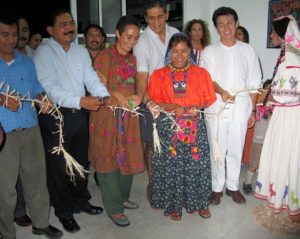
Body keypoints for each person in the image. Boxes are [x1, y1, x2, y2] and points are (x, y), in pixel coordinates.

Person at [33, 9, 110, 233]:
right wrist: (81, 101)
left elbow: (90, 77)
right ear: (50, 30)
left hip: (79, 115)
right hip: (55, 117)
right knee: (59, 168)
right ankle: (64, 212)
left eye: (71, 23)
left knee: (80, 162)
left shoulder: (79, 51)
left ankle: (80, 201)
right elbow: (51, 90)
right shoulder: (43, 54)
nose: (69, 27)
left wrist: (103, 94)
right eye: (63, 24)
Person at [0, 10, 63, 239]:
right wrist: (2, 99)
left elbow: (36, 88)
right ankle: (6, 232)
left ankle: (41, 223)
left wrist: (42, 99)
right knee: (5, 190)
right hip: (3, 134)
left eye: (13, 35)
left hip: (30, 128)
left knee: (37, 180)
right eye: (4, 34)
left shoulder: (26, 61)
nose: (10, 40)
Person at [146, 33, 216, 221]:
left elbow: (208, 98)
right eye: (175, 51)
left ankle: (200, 203)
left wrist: (196, 107)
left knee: (196, 164)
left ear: (190, 52)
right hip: (169, 126)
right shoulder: (159, 75)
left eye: (183, 51)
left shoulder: (201, 73)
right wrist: (173, 108)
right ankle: (173, 205)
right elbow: (155, 100)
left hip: (194, 125)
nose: (179, 55)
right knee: (171, 165)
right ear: (169, 52)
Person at [201, 7, 261, 205]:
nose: (226, 28)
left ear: (236, 24)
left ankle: (233, 187)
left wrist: (252, 110)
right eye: (221, 24)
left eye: (229, 23)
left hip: (241, 107)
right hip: (216, 107)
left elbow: (254, 82)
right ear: (216, 28)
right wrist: (220, 91)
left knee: (236, 146)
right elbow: (207, 80)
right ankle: (217, 187)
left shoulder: (248, 50)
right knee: (217, 148)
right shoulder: (209, 51)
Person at [89, 15, 144, 227]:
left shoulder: (132, 59)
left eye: (136, 38)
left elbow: (134, 86)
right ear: (118, 34)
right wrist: (118, 95)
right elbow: (98, 88)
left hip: (127, 116)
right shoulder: (104, 56)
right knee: (107, 157)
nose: (132, 42)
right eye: (128, 36)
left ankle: (122, 196)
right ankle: (114, 208)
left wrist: (135, 97)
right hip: (107, 115)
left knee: (127, 154)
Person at [255, 15, 300, 223]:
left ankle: (290, 202)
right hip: (285, 114)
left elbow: (290, 92)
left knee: (287, 154)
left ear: (283, 34)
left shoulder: (291, 57)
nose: (271, 35)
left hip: (289, 117)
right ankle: (283, 198)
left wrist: (269, 96)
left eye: (274, 31)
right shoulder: (288, 54)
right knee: (286, 155)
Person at [133, 0, 179, 201]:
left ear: (166, 15)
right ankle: (153, 183)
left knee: (174, 142)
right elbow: (142, 75)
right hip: (150, 98)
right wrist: (147, 101)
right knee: (152, 144)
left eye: (160, 16)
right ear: (145, 19)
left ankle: (171, 181)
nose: (156, 21)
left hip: (175, 99)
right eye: (151, 18)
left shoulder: (176, 34)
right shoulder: (142, 42)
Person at [14, 15, 32, 228]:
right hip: (8, 125)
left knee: (29, 170)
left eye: (24, 29)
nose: (21, 34)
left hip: (31, 120)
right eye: (17, 31)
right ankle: (18, 210)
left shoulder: (31, 56)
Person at [242, 79, 272, 195]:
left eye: (272, 90)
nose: (269, 92)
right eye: (267, 90)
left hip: (271, 141)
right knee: (253, 163)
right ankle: (248, 182)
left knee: (266, 164)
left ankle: (263, 183)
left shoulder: (276, 109)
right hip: (258, 140)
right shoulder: (259, 106)